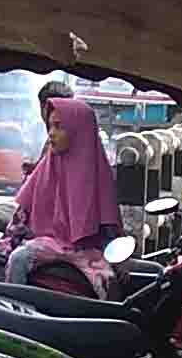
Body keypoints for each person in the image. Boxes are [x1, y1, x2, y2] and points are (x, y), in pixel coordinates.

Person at [10, 84, 122, 269]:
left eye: (59, 127)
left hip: (88, 254)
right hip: (47, 246)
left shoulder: (99, 174)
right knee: (18, 260)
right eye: (50, 126)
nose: (51, 133)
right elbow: (20, 220)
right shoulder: (46, 167)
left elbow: (109, 228)